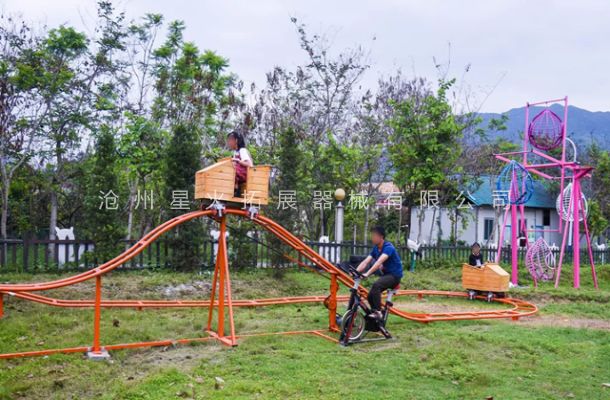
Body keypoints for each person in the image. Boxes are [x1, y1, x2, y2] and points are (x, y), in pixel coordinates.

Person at [356, 226, 403, 320]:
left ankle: (378, 312)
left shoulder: (388, 247)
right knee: (370, 296)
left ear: (381, 237)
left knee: (376, 285)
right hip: (386, 275)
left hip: (395, 275)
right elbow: (366, 261)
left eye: (374, 236)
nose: (372, 238)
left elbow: (378, 263)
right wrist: (356, 271)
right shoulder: (375, 249)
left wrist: (367, 273)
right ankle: (376, 319)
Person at [227, 131, 253, 197]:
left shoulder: (242, 150)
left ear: (236, 140)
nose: (229, 142)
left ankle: (236, 189)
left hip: (246, 174)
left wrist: (238, 161)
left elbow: (249, 164)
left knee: (231, 171)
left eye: (230, 139)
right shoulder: (235, 152)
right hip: (239, 174)